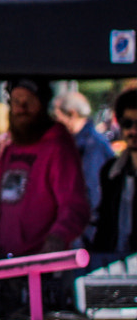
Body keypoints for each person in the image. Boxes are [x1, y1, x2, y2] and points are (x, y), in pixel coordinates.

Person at [0, 77, 90, 258]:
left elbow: (74, 206)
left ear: (42, 104)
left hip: (39, 264)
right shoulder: (10, 150)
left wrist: (58, 237)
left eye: (29, 102)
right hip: (4, 261)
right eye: (16, 102)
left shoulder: (58, 148)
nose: (21, 109)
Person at [54, 90, 117, 234]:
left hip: (87, 232)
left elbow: (92, 194)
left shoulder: (92, 145)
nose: (56, 122)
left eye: (58, 116)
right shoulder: (76, 142)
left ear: (72, 114)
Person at [91, 88, 137, 261]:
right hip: (115, 264)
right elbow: (105, 223)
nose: (133, 131)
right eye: (127, 124)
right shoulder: (111, 171)